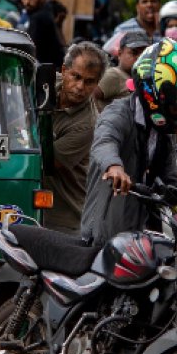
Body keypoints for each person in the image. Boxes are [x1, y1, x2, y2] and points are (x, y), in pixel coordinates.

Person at [80, 39, 177, 246]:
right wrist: (114, 167)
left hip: (142, 237)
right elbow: (105, 141)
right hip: (104, 237)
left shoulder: (163, 131)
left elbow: (171, 182)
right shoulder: (118, 113)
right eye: (176, 105)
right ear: (155, 94)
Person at [44, 42, 108, 234]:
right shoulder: (43, 86)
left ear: (97, 83)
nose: (80, 87)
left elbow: (44, 162)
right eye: (76, 77)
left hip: (64, 216)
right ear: (64, 71)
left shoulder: (87, 124)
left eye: (89, 82)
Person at [94, 30, 149, 111]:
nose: (139, 58)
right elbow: (89, 99)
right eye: (134, 52)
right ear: (119, 54)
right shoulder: (113, 75)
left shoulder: (141, 79)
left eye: (144, 54)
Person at [19, 0, 65, 69]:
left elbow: (31, 51)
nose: (27, 2)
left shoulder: (39, 18)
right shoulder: (44, 12)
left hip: (47, 72)